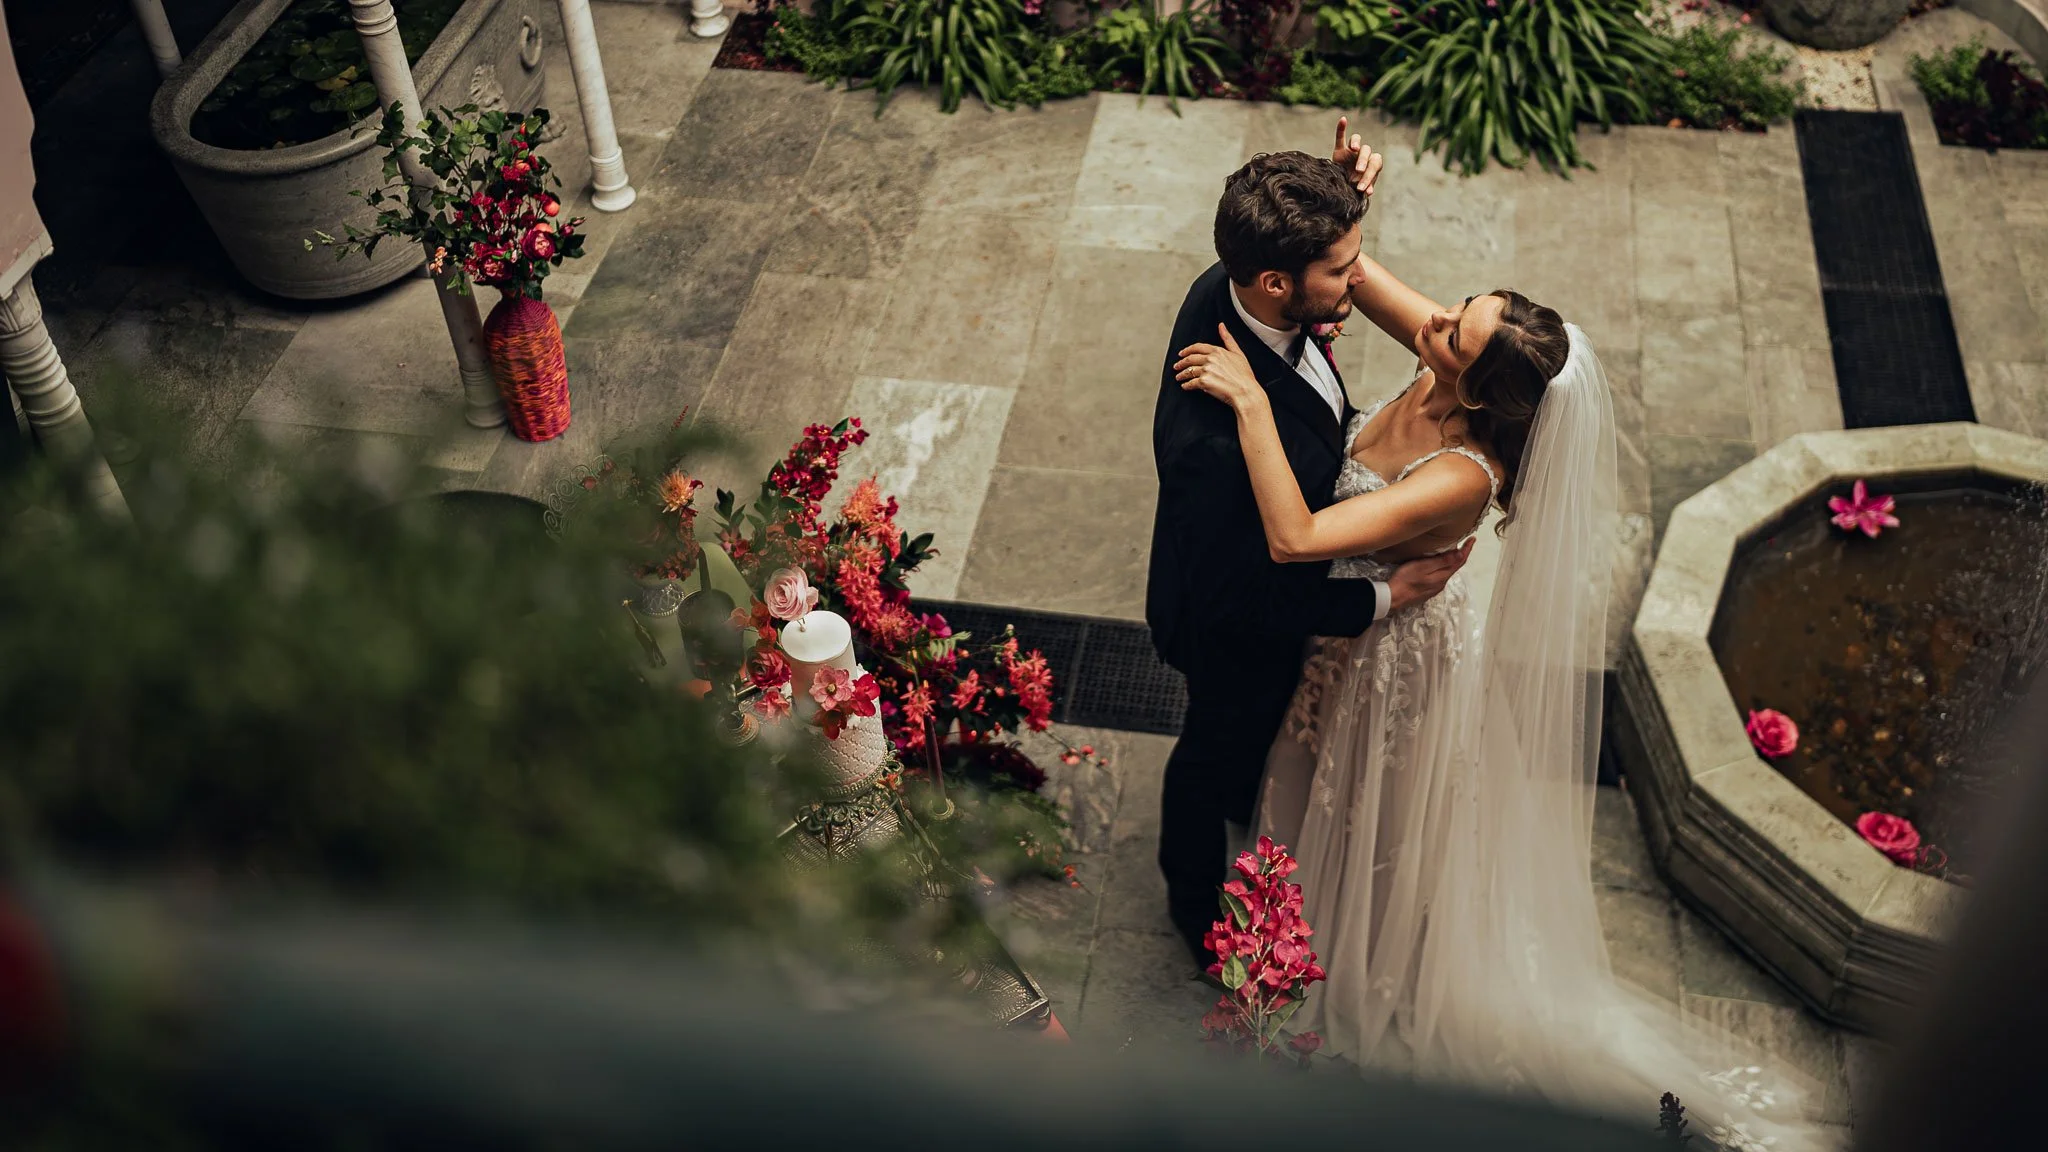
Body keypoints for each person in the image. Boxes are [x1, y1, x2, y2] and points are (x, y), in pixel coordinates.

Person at [1170, 120, 1827, 1149]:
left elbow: (1297, 539)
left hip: (1390, 652)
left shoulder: (1458, 474)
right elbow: (1343, 279)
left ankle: (1351, 947)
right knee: (1300, 773)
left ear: (1478, 389)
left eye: (1447, 333)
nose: (1425, 324)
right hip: (1368, 615)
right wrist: (1341, 205)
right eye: (1452, 314)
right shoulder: (1454, 363)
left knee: (1370, 813)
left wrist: (1253, 405)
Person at [1147, 139, 1468, 967]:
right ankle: (1192, 909)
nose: (1359, 279)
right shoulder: (1215, 444)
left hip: (1279, 569)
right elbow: (1243, 598)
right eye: (1342, 268)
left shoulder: (1233, 284)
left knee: (1257, 750)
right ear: (1276, 284)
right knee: (1211, 755)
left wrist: (1330, 199)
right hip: (1234, 633)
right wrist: (1386, 598)